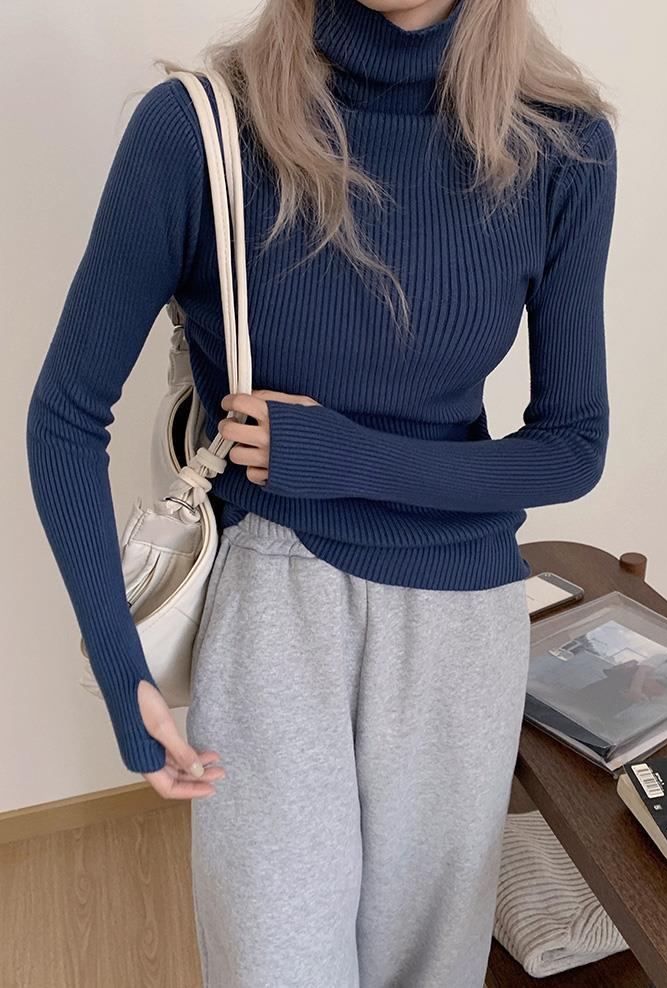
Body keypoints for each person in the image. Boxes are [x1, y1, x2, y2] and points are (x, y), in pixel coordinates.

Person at [25, 0, 618, 984]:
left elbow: (573, 447)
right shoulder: (202, 131)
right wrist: (126, 678)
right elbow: (65, 418)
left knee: (433, 969)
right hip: (276, 612)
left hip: (462, 632)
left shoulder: (562, 145)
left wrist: (345, 457)